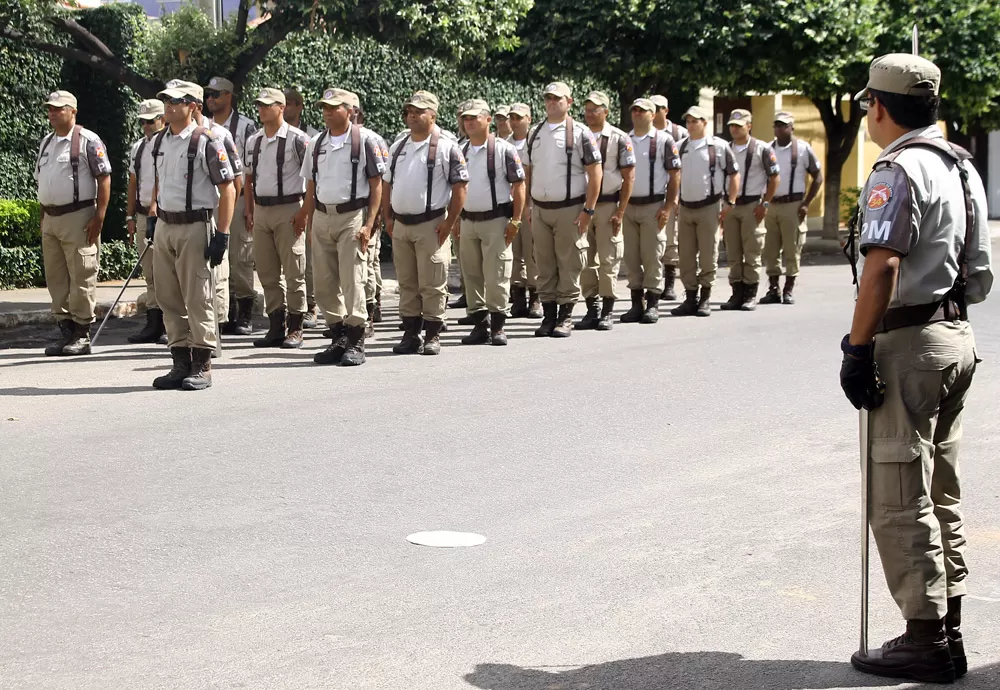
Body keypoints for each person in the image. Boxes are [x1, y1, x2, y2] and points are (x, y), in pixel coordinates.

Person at [841, 54, 992, 685]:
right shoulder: (960, 164)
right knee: (940, 492)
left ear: (878, 107)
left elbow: (881, 267)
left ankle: (925, 641)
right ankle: (948, 628)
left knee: (900, 495)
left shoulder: (897, 170)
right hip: (954, 334)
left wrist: (856, 347)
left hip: (909, 341)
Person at [149, 79, 235, 390]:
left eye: (176, 101)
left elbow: (228, 189)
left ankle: (202, 363)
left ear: (193, 106)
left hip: (195, 225)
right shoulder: (159, 141)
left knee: (198, 296)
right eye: (167, 101)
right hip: (165, 225)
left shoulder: (207, 141)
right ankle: (180, 361)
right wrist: (152, 215)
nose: (169, 107)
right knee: (167, 297)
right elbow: (160, 180)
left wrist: (222, 234)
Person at [296, 88, 385, 366]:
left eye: (334, 107)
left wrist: (370, 224)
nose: (327, 112)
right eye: (324, 107)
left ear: (350, 111)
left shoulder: (366, 141)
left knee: (352, 279)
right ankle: (338, 336)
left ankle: (357, 339)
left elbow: (376, 185)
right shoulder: (317, 142)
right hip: (323, 216)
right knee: (323, 282)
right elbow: (311, 184)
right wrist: (306, 218)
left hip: (352, 216)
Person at [383, 90, 468, 356]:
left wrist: (449, 222)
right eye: (409, 111)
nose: (412, 115)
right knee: (407, 282)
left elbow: (460, 187)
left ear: (433, 115)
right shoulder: (398, 147)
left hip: (431, 223)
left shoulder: (446, 147)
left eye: (418, 111)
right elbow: (387, 183)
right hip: (402, 225)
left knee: (432, 281)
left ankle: (432, 334)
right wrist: (388, 217)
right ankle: (410, 334)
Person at [36, 90, 111, 357]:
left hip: (78, 216)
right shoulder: (46, 142)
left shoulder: (88, 140)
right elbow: (43, 181)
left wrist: (99, 217)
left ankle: (82, 332)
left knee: (81, 273)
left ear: (73, 111)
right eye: (50, 109)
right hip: (51, 218)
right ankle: (65, 331)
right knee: (56, 277)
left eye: (58, 108)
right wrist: (43, 217)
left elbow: (104, 178)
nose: (52, 112)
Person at [524, 81, 602, 337]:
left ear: (569, 102)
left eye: (557, 98)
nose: (551, 102)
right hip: (541, 208)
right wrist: (528, 204)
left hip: (569, 207)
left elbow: (595, 172)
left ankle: (565, 316)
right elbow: (527, 171)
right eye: (548, 98)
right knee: (543, 262)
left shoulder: (580, 133)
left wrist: (588, 210)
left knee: (569, 263)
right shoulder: (534, 132)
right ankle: (548, 316)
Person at [244, 88, 311, 349]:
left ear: (281, 108)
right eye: (259, 105)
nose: (261, 109)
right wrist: (250, 211)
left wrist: (304, 212)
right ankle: (275, 325)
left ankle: (296, 326)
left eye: (267, 105)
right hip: (262, 210)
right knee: (267, 272)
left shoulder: (298, 139)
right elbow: (248, 179)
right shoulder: (254, 141)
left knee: (294, 269)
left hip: (289, 208)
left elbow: (313, 178)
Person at [457, 99, 526, 346]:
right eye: (466, 118)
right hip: (468, 220)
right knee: (472, 274)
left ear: (488, 120)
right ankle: (479, 324)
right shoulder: (460, 150)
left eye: (475, 117)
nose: (469, 122)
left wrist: (516, 220)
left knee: (497, 273)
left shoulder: (504, 150)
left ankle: (497, 326)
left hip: (495, 219)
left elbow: (519, 185)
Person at [671, 106, 739, 317]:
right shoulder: (680, 146)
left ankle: (705, 298)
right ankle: (690, 297)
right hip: (685, 207)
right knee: (686, 255)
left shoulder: (718, 146)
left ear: (705, 123)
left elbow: (733, 174)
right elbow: (673, 174)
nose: (691, 125)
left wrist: (730, 201)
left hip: (709, 206)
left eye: (695, 121)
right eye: (688, 121)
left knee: (709, 253)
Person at [205, 76, 258, 335]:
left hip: (236, 198)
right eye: (208, 95)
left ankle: (245, 313)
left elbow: (249, 170)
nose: (210, 99)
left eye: (216, 95)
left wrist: (249, 206)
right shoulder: (203, 127)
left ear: (229, 96)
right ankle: (224, 313)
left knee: (241, 257)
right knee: (217, 258)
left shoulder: (245, 127)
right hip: (211, 199)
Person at [578, 91, 635, 331]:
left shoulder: (619, 138)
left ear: (606, 112)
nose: (590, 114)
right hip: (582, 206)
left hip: (608, 204)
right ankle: (592, 308)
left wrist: (621, 211)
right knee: (585, 259)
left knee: (608, 259)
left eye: (596, 109)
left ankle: (608, 310)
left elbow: (629, 176)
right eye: (588, 109)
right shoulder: (578, 135)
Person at [621, 98, 680, 324]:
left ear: (652, 115)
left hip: (653, 205)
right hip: (629, 206)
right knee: (632, 257)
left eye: (642, 111)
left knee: (653, 255)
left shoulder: (664, 140)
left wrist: (668, 206)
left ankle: (653, 302)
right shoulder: (625, 139)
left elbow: (675, 175)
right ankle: (637, 303)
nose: (637, 114)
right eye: (634, 110)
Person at [720, 109, 780, 311]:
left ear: (749, 126)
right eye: (732, 126)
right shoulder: (724, 148)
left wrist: (765, 203)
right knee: (733, 253)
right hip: (731, 206)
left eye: (739, 125)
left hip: (752, 205)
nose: (734, 129)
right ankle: (736, 293)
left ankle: (750, 294)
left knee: (752, 252)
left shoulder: (761, 149)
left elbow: (774, 177)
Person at [760, 111, 822, 305]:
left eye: (783, 125)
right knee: (770, 249)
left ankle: (788, 289)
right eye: (776, 125)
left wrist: (806, 203)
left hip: (793, 204)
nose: (779, 129)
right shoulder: (768, 148)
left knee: (792, 248)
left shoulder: (803, 149)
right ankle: (773, 288)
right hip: (772, 203)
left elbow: (818, 177)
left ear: (791, 128)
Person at [126, 99, 167, 344]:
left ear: (162, 119)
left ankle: (169, 323)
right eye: (142, 121)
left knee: (166, 272)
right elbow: (133, 182)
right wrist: (129, 216)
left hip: (165, 214)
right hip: (142, 214)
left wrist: (155, 207)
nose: (146, 126)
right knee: (149, 272)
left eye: (151, 121)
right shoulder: (138, 147)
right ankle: (153, 322)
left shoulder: (169, 144)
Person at [284, 86, 323, 328]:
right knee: (291, 259)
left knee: (307, 256)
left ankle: (311, 305)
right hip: (285, 204)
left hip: (308, 200)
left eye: (290, 103)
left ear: (299, 106)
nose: (286, 107)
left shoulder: (313, 136)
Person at [506, 102, 541, 319]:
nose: (514, 121)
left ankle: (535, 297)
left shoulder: (534, 143)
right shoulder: (504, 144)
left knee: (532, 252)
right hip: (509, 205)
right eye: (512, 117)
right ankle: (518, 298)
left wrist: (529, 203)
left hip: (530, 204)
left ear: (529, 118)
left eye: (519, 117)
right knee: (514, 252)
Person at [651, 95, 687, 301]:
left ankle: (670, 283)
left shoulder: (678, 133)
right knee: (653, 239)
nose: (655, 111)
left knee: (671, 239)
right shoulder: (645, 133)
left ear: (666, 110)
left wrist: (679, 196)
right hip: (652, 193)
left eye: (659, 108)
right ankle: (652, 282)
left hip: (672, 194)